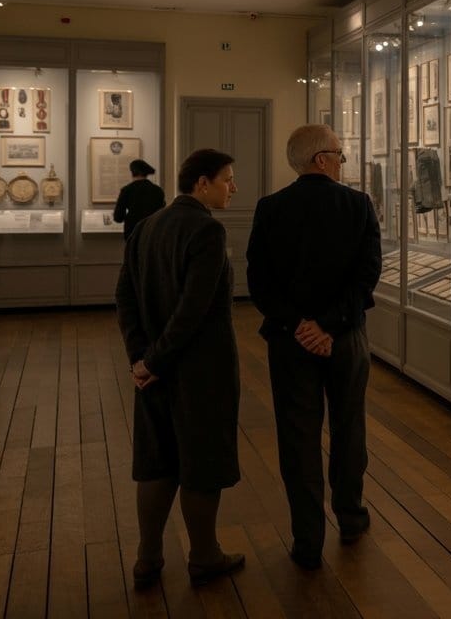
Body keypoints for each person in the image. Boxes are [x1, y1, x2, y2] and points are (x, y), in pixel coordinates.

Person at [246, 125, 382, 570]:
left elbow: (259, 282)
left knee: (298, 438)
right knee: (349, 429)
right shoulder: (357, 205)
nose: (344, 162)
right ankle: (351, 516)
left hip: (290, 343)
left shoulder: (270, 209)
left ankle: (307, 538)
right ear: (321, 159)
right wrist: (329, 325)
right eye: (340, 154)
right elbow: (366, 277)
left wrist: (300, 325)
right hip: (345, 339)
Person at [115, 149, 243, 589]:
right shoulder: (206, 230)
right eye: (228, 179)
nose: (234, 187)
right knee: (200, 460)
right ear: (202, 183)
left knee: (157, 461)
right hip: (198, 371)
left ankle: (148, 556)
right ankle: (204, 555)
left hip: (152, 370)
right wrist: (155, 359)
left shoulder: (148, 226)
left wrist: (141, 358)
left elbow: (125, 299)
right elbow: (194, 310)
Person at [113, 158, 166, 240]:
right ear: (146, 173)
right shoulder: (157, 190)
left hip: (132, 232)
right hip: (153, 231)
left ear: (132, 172)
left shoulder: (127, 190)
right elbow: (162, 212)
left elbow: (118, 217)